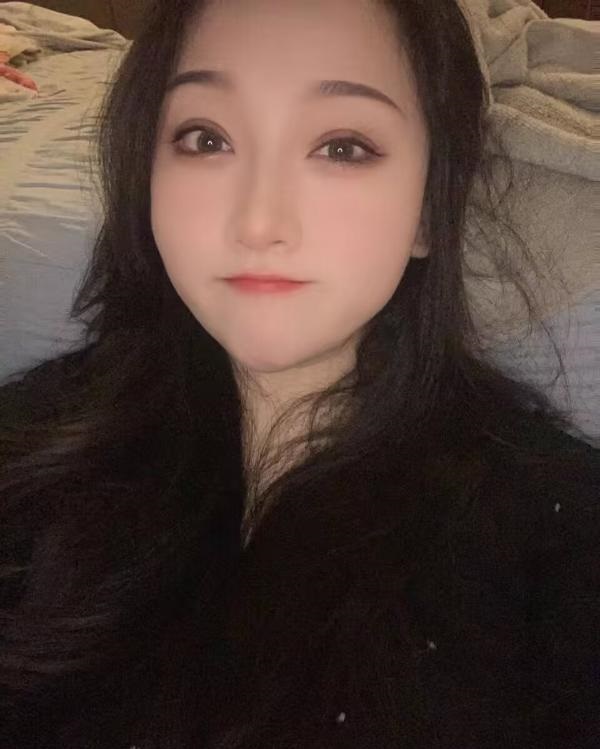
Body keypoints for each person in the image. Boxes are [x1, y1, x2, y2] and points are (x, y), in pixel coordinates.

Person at [0, 0, 598, 747]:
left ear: (427, 210)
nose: (259, 222)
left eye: (342, 146)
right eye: (205, 138)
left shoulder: (555, 542)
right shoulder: (31, 443)